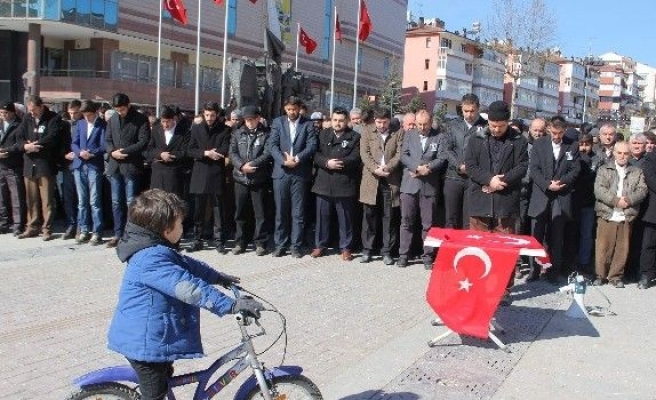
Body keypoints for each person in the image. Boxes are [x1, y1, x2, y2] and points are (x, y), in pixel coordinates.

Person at [107, 189, 264, 400]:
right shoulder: (150, 259)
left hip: (154, 337)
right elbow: (189, 288)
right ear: (165, 228)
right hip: (144, 344)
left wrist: (217, 277)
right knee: (154, 395)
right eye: (180, 224)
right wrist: (230, 305)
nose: (183, 227)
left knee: (164, 379)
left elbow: (187, 265)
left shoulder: (156, 248)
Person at [465, 101, 528, 304]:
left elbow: (522, 166)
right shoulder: (476, 138)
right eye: (493, 125)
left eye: (500, 126)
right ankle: (477, 285)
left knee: (504, 251)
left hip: (505, 203)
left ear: (507, 123)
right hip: (480, 202)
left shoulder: (519, 140)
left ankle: (503, 289)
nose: (496, 129)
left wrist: (503, 181)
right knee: (478, 249)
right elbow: (471, 166)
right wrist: (489, 179)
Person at [527, 115, 581, 283]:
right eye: (554, 133)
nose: (557, 137)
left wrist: (561, 183)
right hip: (541, 195)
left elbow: (575, 170)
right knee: (536, 236)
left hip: (560, 196)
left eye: (560, 133)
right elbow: (534, 169)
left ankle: (553, 272)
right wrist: (546, 184)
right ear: (549, 129)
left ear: (564, 131)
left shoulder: (572, 146)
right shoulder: (539, 144)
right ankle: (534, 271)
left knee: (557, 237)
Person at [268, 96, 317, 258]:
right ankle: (280, 244)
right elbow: (272, 145)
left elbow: (311, 146)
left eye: (294, 109)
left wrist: (296, 159)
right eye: (288, 109)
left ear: (299, 108)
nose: (291, 112)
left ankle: (296, 245)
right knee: (281, 211)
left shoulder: (308, 124)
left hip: (299, 172)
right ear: (285, 108)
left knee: (298, 212)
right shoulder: (277, 122)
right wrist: (284, 161)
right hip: (281, 173)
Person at [593, 141, 647, 288]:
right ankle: (600, 275)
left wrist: (628, 200)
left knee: (622, 248)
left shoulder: (637, 171)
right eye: (619, 153)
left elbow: (642, 190)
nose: (622, 156)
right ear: (614, 153)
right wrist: (616, 201)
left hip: (626, 215)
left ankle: (616, 276)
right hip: (608, 213)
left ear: (629, 154)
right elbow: (599, 189)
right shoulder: (604, 169)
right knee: (603, 247)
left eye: (626, 153)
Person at [310, 107, 361, 261]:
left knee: (345, 219)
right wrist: (326, 162)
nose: (337, 123)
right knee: (322, 216)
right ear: (331, 120)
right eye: (335, 120)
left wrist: (339, 163)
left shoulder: (355, 137)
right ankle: (320, 245)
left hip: (344, 183)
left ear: (346, 121)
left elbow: (356, 157)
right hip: (324, 182)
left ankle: (346, 248)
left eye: (341, 120)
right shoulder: (323, 134)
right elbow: (315, 154)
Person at [398, 110, 445, 269]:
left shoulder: (439, 136)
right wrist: (416, 167)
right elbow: (403, 155)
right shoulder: (409, 135)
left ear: (431, 122)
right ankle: (403, 255)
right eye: (419, 124)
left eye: (425, 124)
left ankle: (427, 257)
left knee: (428, 224)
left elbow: (442, 157)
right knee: (406, 222)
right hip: (409, 184)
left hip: (429, 186)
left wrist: (429, 168)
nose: (422, 127)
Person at [105, 93, 150, 248]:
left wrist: (125, 151)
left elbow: (143, 141)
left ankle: (131, 233)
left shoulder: (140, 119)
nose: (120, 112)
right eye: (117, 110)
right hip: (115, 164)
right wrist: (112, 152)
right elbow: (108, 140)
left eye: (122, 109)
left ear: (128, 105)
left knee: (131, 201)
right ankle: (118, 233)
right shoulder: (112, 119)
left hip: (131, 164)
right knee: (116, 202)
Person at [359, 108, 404, 265]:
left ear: (389, 120)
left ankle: (387, 251)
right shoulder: (367, 131)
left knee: (389, 217)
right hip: (372, 179)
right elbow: (364, 153)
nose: (381, 125)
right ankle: (367, 250)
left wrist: (388, 168)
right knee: (369, 216)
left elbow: (400, 153)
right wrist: (375, 168)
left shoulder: (398, 132)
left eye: (384, 122)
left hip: (390, 180)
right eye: (378, 122)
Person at [17, 95, 64, 241]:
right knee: (31, 199)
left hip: (45, 164)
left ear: (41, 106)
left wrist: (36, 145)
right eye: (30, 110)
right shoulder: (27, 118)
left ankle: (47, 228)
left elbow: (53, 137)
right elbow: (19, 137)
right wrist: (26, 146)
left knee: (47, 200)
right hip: (29, 164)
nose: (32, 113)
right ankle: (32, 226)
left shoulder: (53, 118)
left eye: (34, 110)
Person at [187, 102, 232, 253]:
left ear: (217, 115)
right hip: (200, 172)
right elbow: (190, 150)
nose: (209, 118)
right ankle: (197, 239)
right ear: (203, 113)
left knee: (217, 208)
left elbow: (225, 149)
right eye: (207, 115)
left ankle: (219, 241)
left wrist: (216, 153)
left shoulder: (225, 129)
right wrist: (206, 153)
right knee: (198, 209)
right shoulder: (196, 128)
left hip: (216, 173)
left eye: (212, 115)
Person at [228, 105, 272, 256]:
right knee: (240, 213)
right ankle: (240, 241)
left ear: (258, 118)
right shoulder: (237, 133)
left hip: (258, 179)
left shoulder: (266, 133)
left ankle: (260, 243)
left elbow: (267, 154)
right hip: (240, 178)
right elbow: (232, 152)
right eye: (247, 120)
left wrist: (252, 165)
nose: (249, 123)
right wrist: (241, 166)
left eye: (252, 120)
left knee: (260, 213)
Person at [442, 94, 488, 229]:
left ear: (478, 108)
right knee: (451, 218)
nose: (469, 115)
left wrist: (473, 168)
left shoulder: (485, 127)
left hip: (474, 180)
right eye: (465, 111)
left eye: (472, 111)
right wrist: (458, 165)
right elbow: (447, 149)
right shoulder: (452, 125)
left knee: (470, 221)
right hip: (453, 177)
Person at [71, 100, 106, 245]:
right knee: (82, 201)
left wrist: (91, 152)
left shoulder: (102, 125)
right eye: (84, 115)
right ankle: (84, 230)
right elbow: (74, 142)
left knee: (94, 201)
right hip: (79, 165)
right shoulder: (80, 124)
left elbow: (104, 145)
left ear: (95, 112)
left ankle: (97, 232)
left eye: (89, 115)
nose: (87, 118)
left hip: (93, 165)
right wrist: (79, 152)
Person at [145, 105, 190, 199]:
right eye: (163, 121)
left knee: (173, 203)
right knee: (157, 202)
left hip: (174, 173)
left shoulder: (184, 131)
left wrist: (169, 156)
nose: (165, 125)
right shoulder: (156, 130)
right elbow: (149, 150)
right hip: (158, 173)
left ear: (174, 119)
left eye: (168, 121)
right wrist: (160, 154)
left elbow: (185, 151)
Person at [573, 132, 601, 274]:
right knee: (572, 233)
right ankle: (571, 260)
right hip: (573, 201)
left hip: (589, 203)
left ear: (592, 144)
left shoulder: (597, 159)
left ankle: (584, 262)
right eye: (581, 144)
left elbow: (592, 179)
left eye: (587, 144)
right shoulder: (572, 157)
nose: (584, 148)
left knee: (586, 235)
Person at [0, 101, 25, 235]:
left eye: (6, 113)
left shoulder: (19, 125)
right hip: (0, 165)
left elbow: (20, 144)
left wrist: (7, 151)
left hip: (13, 165)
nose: (3, 115)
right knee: (2, 197)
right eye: (1, 113)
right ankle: (3, 223)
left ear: (13, 113)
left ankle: (18, 224)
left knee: (16, 197)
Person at [59, 99, 82, 239]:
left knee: (81, 198)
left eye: (76, 113)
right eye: (71, 113)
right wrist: (64, 154)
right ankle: (71, 224)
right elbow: (59, 143)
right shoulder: (64, 125)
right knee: (67, 197)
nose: (73, 115)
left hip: (81, 163)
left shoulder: (84, 124)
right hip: (67, 164)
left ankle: (80, 225)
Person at [639, 148, 656, 289]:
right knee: (649, 245)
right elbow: (651, 180)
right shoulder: (651, 158)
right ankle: (646, 275)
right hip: (653, 211)